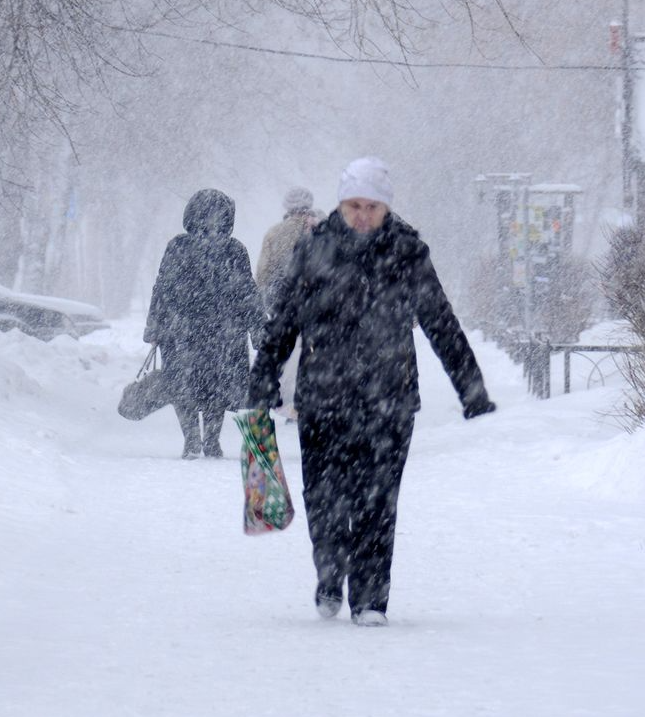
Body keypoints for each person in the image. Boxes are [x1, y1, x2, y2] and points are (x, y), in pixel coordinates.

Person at [248, 156, 496, 627]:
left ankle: (370, 600)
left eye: (372, 206)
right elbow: (283, 323)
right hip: (323, 399)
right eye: (354, 205)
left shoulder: (407, 253)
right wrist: (262, 380)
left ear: (387, 207)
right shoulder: (314, 250)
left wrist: (472, 389)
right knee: (323, 497)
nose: (362, 215)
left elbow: (440, 322)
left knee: (378, 502)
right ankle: (329, 574)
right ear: (340, 204)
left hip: (390, 400)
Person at [145, 188, 264, 459]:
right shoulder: (233, 249)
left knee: (187, 384)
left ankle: (195, 440)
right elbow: (248, 292)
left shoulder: (179, 246)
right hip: (221, 331)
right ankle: (208, 440)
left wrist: (155, 326)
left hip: (185, 331)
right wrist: (257, 328)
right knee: (214, 387)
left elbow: (162, 288)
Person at [255, 186, 318, 420]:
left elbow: (263, 274)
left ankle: (289, 402)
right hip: (316, 302)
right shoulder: (321, 230)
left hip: (284, 303)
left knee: (287, 354)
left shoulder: (274, 233)